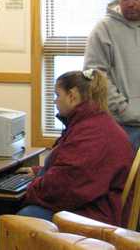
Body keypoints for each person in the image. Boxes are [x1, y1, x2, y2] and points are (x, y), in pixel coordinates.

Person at [17, 69, 133, 225]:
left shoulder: (91, 134)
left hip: (96, 217)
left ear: (72, 96)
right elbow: (75, 171)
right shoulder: (95, 123)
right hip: (99, 208)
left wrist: (29, 189)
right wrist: (39, 173)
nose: (55, 101)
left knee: (26, 216)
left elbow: (64, 189)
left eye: (58, 95)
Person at [84, 0, 140, 148]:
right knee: (125, 175)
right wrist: (123, 108)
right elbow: (94, 75)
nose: (130, 3)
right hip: (122, 125)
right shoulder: (103, 30)